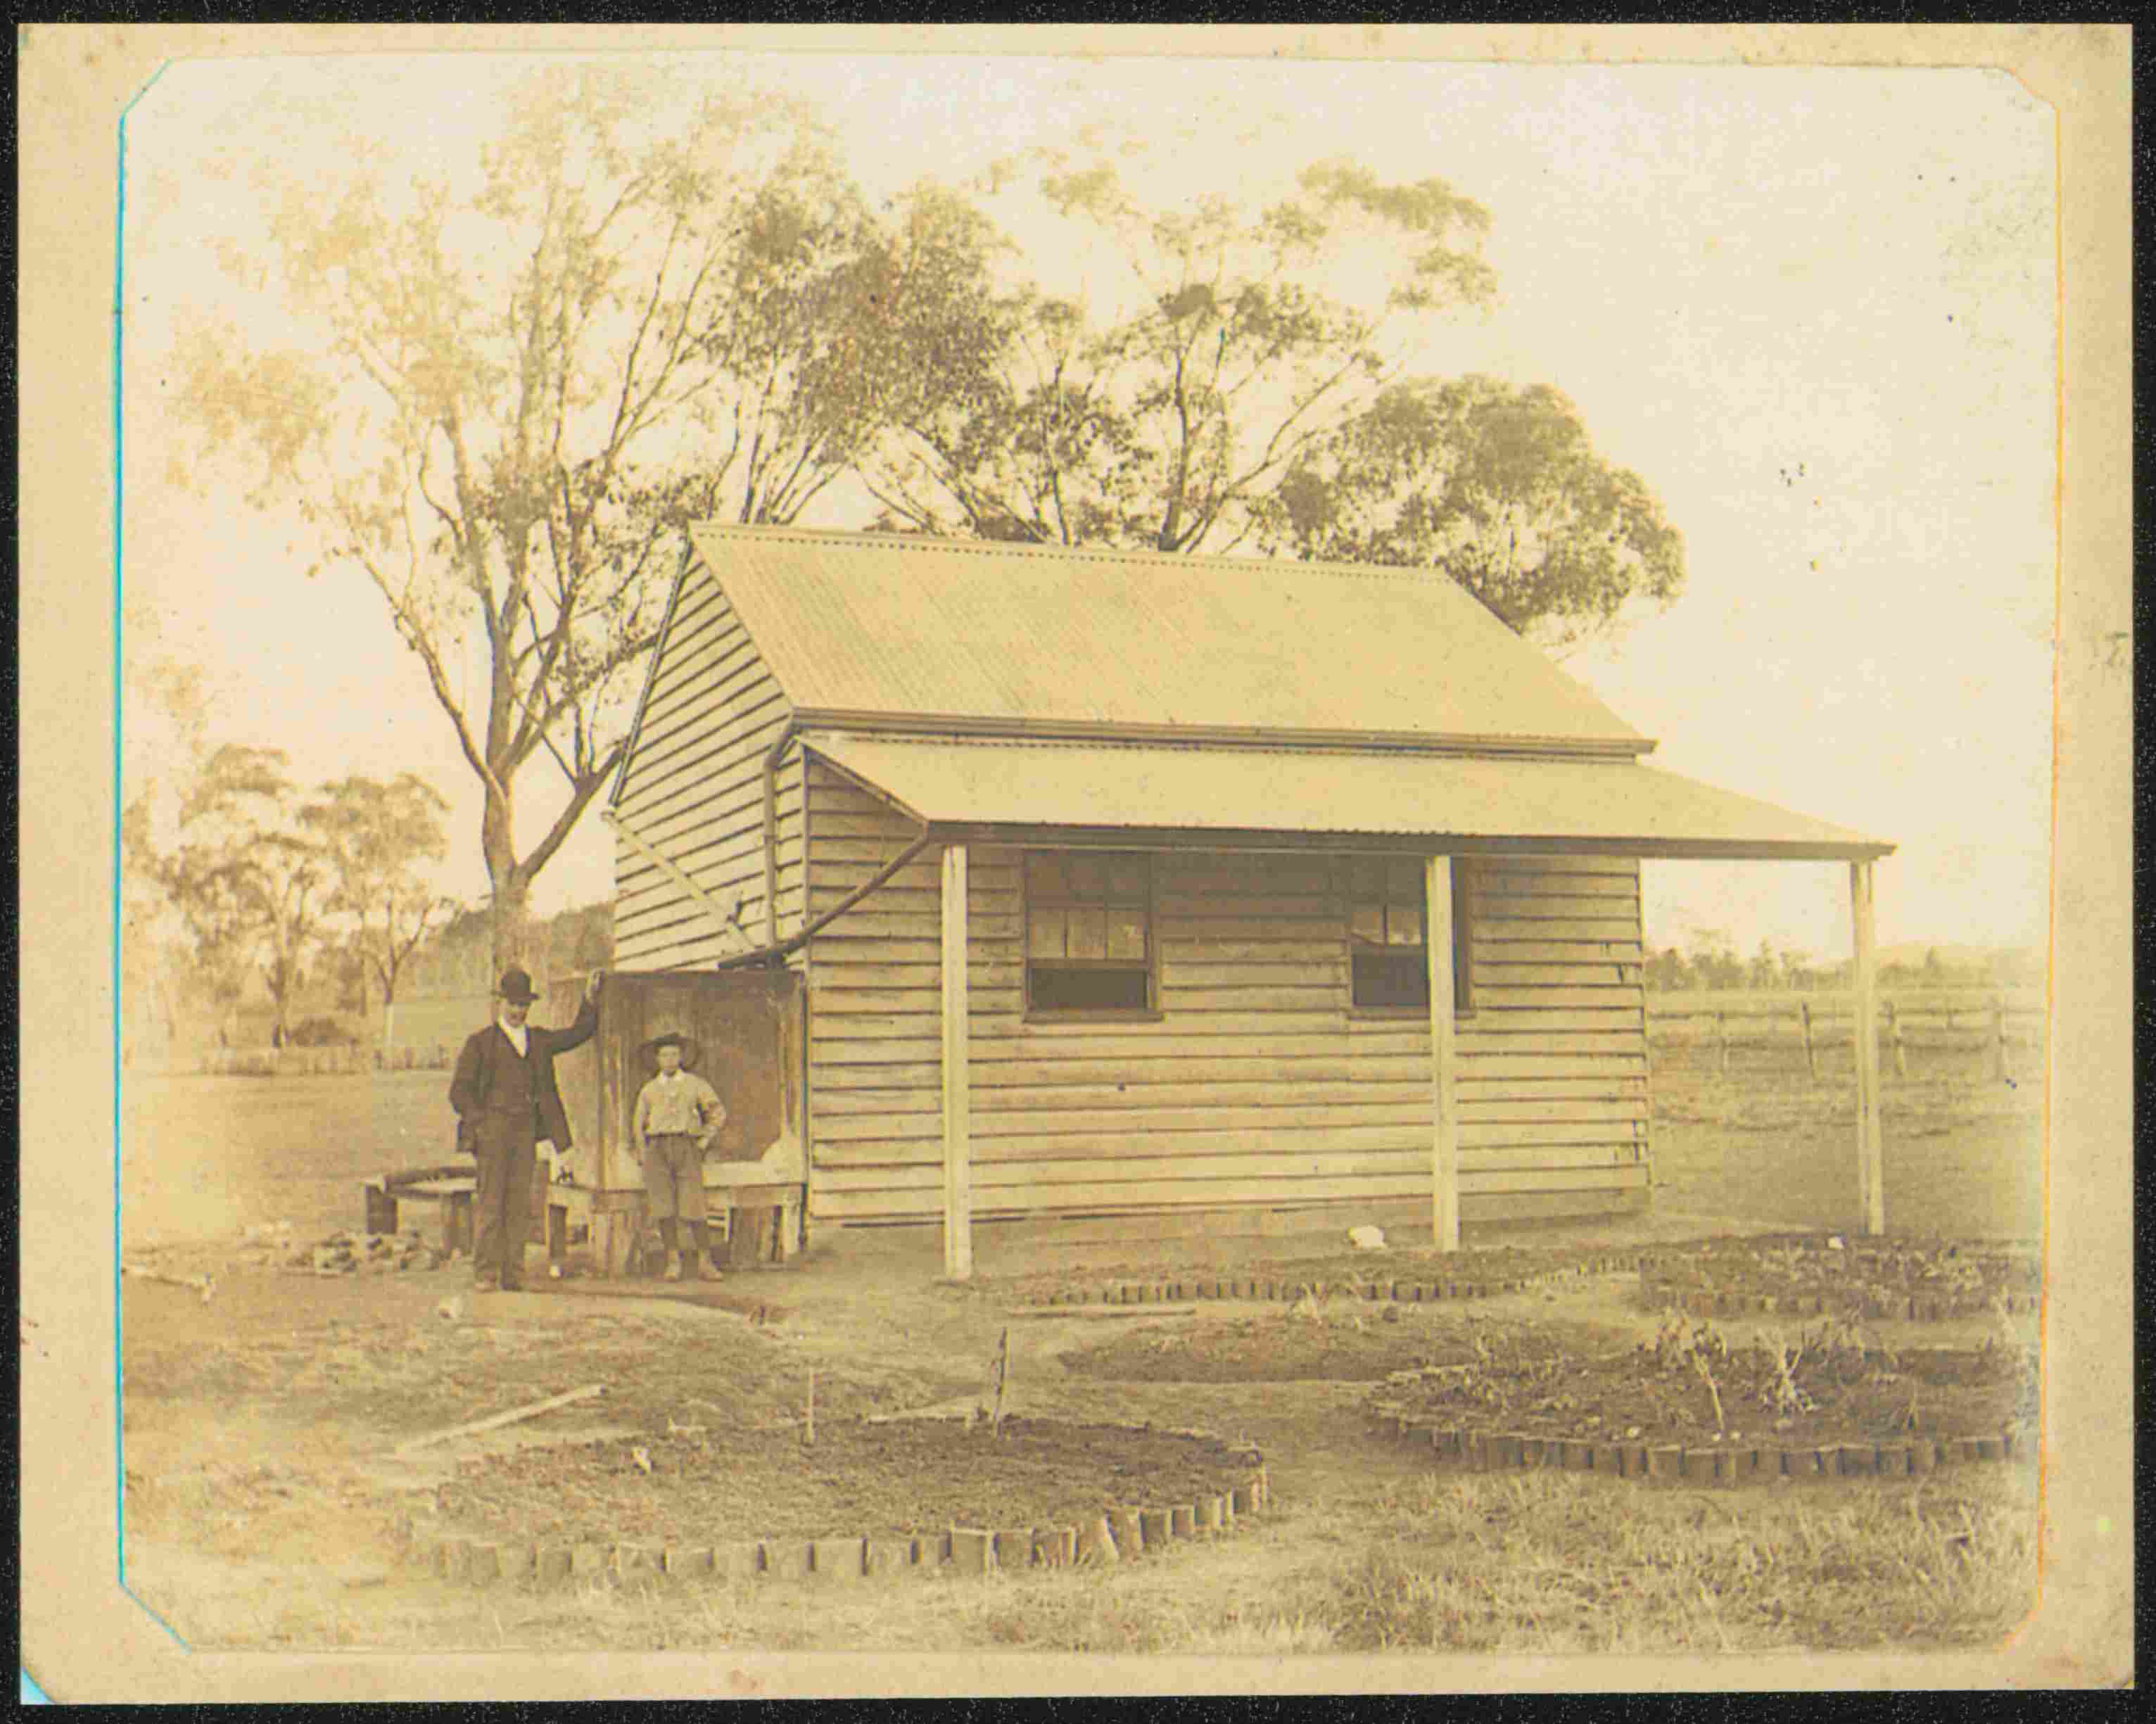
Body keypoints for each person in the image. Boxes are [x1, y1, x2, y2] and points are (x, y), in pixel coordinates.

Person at [449, 966, 602, 1292]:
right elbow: (458, 1093)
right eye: (512, 1004)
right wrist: (482, 1123)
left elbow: (579, 1033)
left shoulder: (540, 1041)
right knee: (492, 1203)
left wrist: (590, 999)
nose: (518, 1011)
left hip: (525, 1133)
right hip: (493, 1133)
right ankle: (485, 1274)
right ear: (501, 1003)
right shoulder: (480, 1044)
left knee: (519, 1204)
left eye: (523, 1005)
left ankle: (513, 1274)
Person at [632, 1030, 727, 1281]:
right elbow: (638, 1123)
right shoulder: (649, 1090)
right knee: (664, 1207)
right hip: (658, 1150)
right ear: (657, 1059)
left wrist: (705, 1138)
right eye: (664, 1055)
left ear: (681, 1056)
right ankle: (672, 1261)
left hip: (687, 1147)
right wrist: (643, 1151)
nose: (670, 1059)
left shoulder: (695, 1085)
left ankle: (706, 1261)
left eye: (674, 1054)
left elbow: (717, 1112)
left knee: (694, 1205)